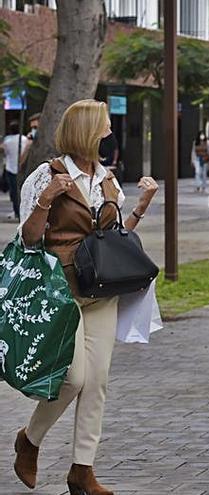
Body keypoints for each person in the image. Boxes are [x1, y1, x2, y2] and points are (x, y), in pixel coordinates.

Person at [13, 99, 159, 495]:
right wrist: (47, 199)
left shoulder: (108, 179)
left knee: (97, 383)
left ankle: (82, 470)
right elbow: (28, 238)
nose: (109, 133)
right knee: (74, 379)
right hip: (61, 291)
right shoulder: (47, 174)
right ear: (85, 131)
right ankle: (30, 439)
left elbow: (112, 240)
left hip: (101, 291)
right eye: (104, 126)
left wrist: (141, 209)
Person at [2, 121, 25, 220]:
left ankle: (16, 211)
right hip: (21, 168)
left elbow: (4, 152)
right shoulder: (24, 139)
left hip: (10, 168)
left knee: (13, 191)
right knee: (21, 190)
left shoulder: (7, 141)